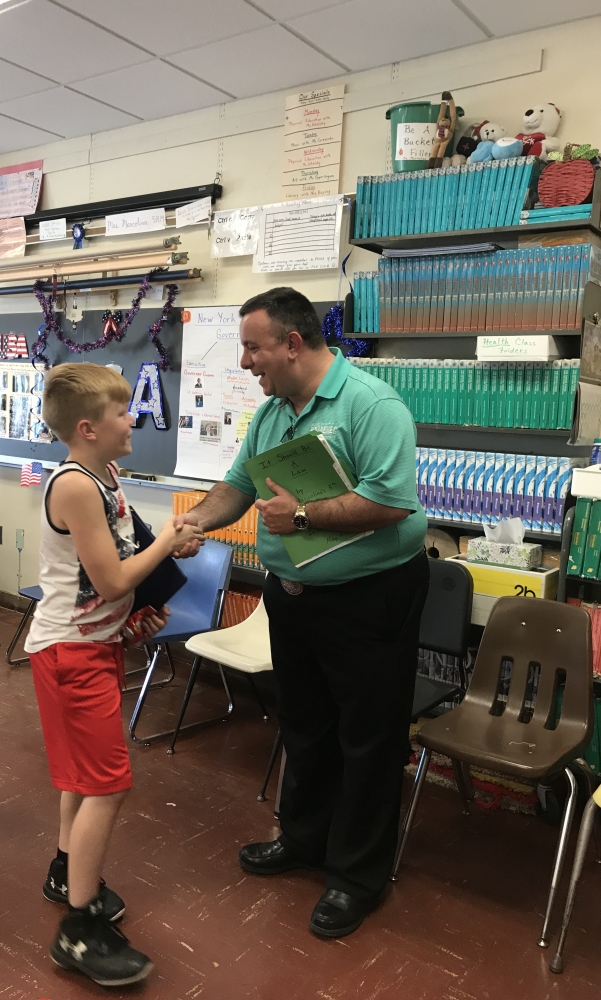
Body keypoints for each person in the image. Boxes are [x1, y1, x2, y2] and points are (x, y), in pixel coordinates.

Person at [174, 288, 429, 938]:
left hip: (369, 598)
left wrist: (307, 515)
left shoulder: (372, 404)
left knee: (368, 739)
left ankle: (355, 878)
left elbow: (392, 500)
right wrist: (197, 521)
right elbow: (238, 486)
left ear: (292, 343)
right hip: (292, 600)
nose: (246, 360)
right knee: (305, 724)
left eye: (253, 346)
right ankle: (304, 840)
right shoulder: (271, 414)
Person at [23, 363, 204, 987]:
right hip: (69, 653)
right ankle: (78, 929)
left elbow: (116, 569)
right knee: (108, 784)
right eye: (123, 413)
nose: (134, 420)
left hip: (92, 644)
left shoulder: (108, 476)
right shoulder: (73, 485)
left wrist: (133, 613)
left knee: (83, 776)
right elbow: (111, 579)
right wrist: (169, 539)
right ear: (87, 428)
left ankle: (66, 868)